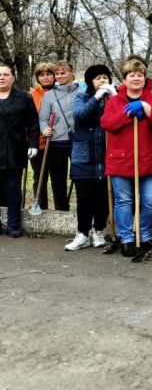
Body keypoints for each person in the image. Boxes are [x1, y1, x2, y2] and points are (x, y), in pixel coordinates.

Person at [101, 58, 152, 257]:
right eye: (132, 75)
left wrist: (146, 108)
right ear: (125, 79)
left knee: (151, 200)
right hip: (121, 159)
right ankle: (127, 238)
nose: (136, 78)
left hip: (148, 158)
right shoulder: (114, 101)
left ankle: (145, 236)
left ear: (144, 77)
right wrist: (126, 114)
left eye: (140, 75)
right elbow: (107, 124)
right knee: (124, 201)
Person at [66, 65, 115, 250]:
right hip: (83, 156)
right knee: (84, 196)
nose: (102, 81)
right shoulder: (82, 97)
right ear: (90, 82)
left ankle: (99, 230)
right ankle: (82, 233)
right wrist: (96, 97)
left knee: (102, 196)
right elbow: (80, 116)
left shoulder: (113, 99)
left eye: (105, 77)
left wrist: (113, 97)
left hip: (105, 155)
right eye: (97, 78)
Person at [0, 62, 38, 237]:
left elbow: (33, 123)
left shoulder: (23, 98)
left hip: (14, 150)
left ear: (13, 77)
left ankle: (13, 225)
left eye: (5, 74)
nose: (1, 77)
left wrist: (32, 144)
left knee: (13, 189)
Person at [38, 60, 81, 211]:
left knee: (80, 177)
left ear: (71, 73)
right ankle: (61, 209)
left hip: (79, 141)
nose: (59, 76)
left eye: (63, 73)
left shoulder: (82, 93)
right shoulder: (49, 95)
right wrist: (44, 129)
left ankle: (83, 210)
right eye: (57, 73)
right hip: (56, 141)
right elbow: (43, 118)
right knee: (58, 179)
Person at [29, 62, 56, 211]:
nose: (45, 77)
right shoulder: (31, 95)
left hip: (58, 143)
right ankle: (41, 209)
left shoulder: (60, 92)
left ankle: (61, 210)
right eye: (41, 74)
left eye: (48, 74)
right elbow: (29, 120)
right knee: (39, 179)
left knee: (58, 180)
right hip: (38, 144)